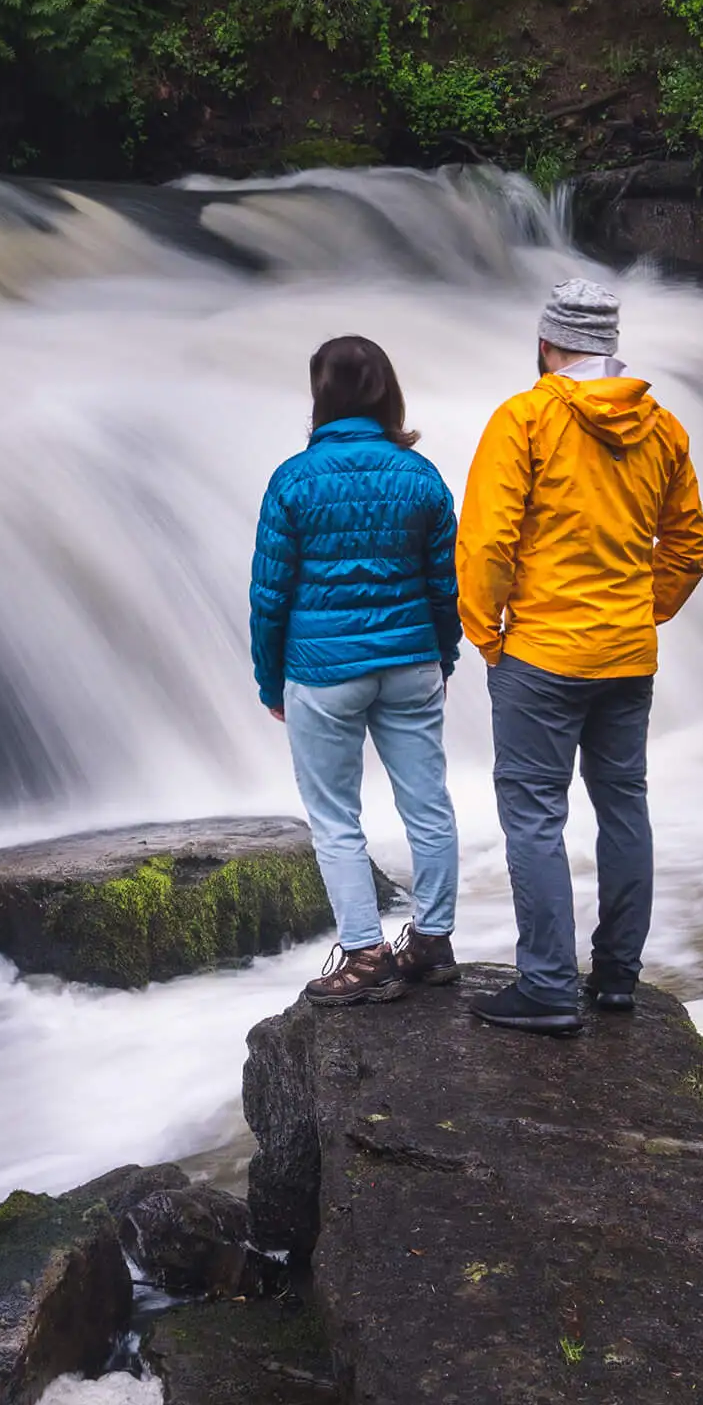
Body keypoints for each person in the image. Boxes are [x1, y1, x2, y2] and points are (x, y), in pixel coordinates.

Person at [455, 280, 703, 1034]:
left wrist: (487, 632)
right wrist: (640, 610)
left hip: (542, 654)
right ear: (610, 347)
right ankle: (619, 977)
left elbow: (488, 540)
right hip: (628, 657)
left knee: (534, 815)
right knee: (623, 806)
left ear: (545, 343)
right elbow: (689, 545)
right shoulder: (661, 426)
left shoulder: (524, 418)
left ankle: (547, 986)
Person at [251, 335, 463, 1006]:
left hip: (323, 669)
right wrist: (445, 653)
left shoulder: (293, 480)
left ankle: (366, 952)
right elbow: (444, 584)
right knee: (427, 804)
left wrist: (268, 679)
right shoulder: (420, 474)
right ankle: (431, 941)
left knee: (336, 817)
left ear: (322, 397)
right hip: (410, 662)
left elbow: (269, 595)